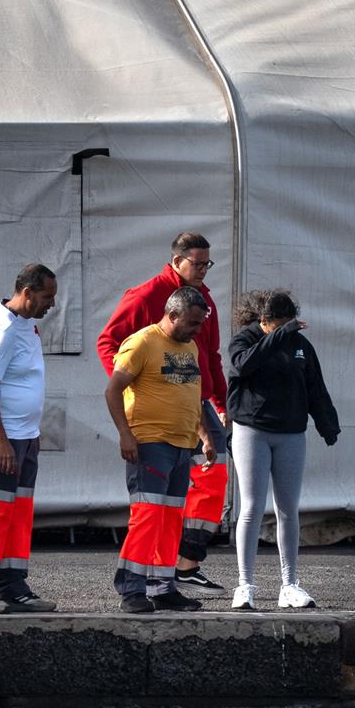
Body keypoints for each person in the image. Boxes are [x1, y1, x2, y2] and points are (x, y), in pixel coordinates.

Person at [97, 231, 231, 594]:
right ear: (176, 261)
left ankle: (180, 568)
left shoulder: (203, 303)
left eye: (208, 264)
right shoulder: (146, 297)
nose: (203, 270)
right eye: (197, 264)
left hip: (194, 405)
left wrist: (220, 402)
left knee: (204, 481)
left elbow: (211, 358)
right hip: (155, 413)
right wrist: (137, 382)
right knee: (152, 508)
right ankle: (139, 584)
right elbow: (108, 343)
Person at [104, 285, 216, 614]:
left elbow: (191, 396)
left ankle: (162, 586)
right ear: (172, 315)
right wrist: (125, 435)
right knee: (148, 517)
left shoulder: (191, 347)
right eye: (193, 323)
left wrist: (205, 436)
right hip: (150, 445)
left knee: (170, 520)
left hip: (183, 446)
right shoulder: (142, 342)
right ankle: (131, 588)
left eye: (200, 324)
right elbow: (113, 392)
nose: (197, 330)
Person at [226, 289, 339, 611]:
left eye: (287, 325)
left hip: (290, 432)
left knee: (288, 508)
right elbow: (242, 367)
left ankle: (290, 585)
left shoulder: (301, 346)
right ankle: (245, 584)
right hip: (252, 430)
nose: (284, 331)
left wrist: (327, 423)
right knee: (251, 506)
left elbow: (315, 387)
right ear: (262, 321)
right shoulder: (244, 340)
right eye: (277, 326)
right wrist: (277, 337)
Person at [0, 263, 59, 614]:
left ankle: (13, 585)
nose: (51, 304)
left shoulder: (26, 324)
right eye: (47, 296)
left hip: (24, 436)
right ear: (27, 292)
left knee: (18, 513)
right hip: (2, 438)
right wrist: (0, 439)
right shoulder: (3, 328)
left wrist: (32, 434)